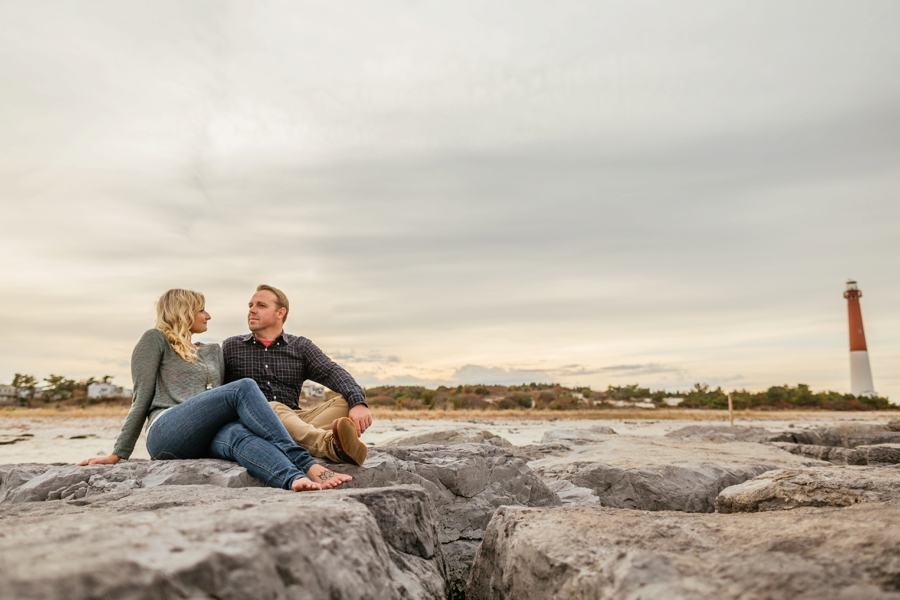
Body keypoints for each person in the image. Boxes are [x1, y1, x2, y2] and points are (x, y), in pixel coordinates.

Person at [78, 289, 351, 492]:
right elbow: (141, 399)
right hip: (167, 431)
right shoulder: (155, 340)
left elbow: (219, 398)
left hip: (206, 435)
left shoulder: (212, 350)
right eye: (201, 310)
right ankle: (308, 464)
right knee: (244, 387)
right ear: (183, 312)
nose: (208, 315)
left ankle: (293, 478)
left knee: (239, 436)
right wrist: (118, 453)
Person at [223, 285, 370, 466]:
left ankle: (295, 441)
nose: (252, 310)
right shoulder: (231, 346)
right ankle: (329, 444)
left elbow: (333, 372)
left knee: (346, 401)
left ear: (280, 312)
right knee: (271, 407)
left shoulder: (300, 346)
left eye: (261, 305)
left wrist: (358, 403)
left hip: (295, 419)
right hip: (253, 423)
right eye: (250, 305)